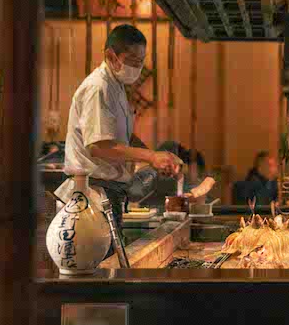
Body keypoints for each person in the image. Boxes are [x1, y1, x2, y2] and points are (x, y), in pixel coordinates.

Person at [57, 24, 214, 232]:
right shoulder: (98, 87)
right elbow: (98, 147)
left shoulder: (116, 86)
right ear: (111, 56)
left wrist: (158, 156)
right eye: (132, 61)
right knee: (100, 263)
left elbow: (124, 138)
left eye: (141, 62)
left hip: (109, 192)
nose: (137, 67)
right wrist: (151, 157)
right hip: (91, 195)